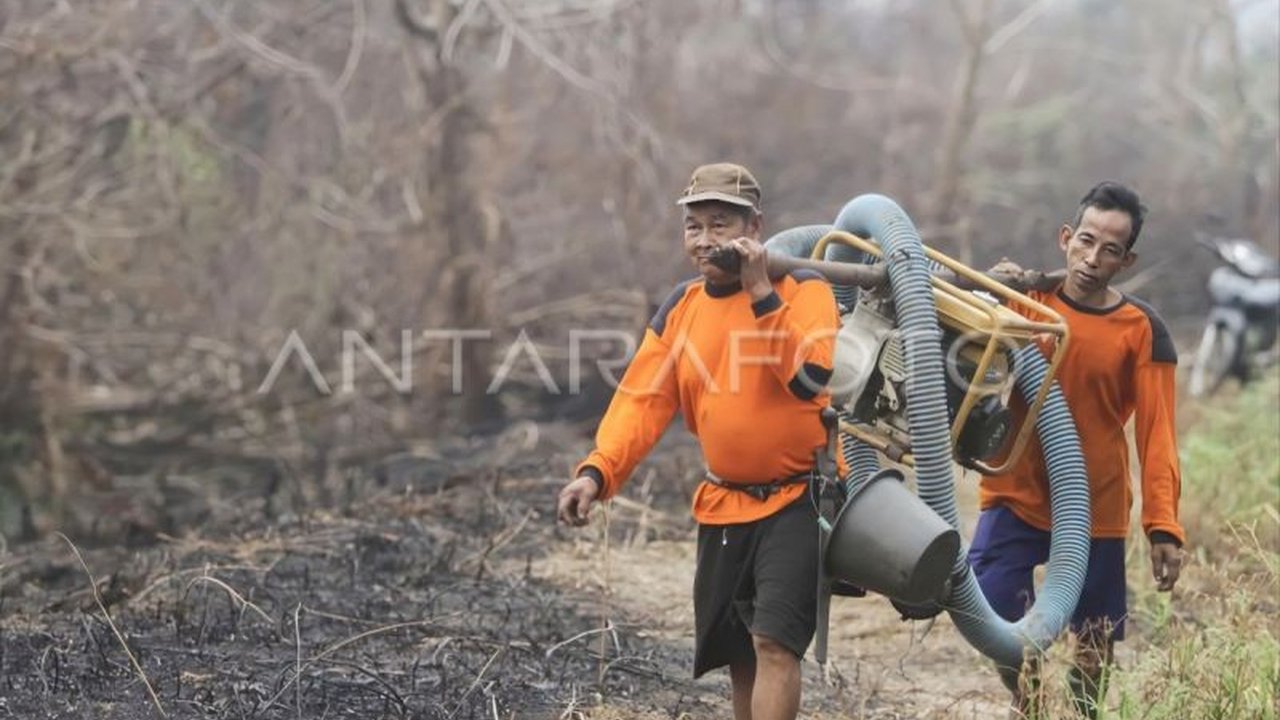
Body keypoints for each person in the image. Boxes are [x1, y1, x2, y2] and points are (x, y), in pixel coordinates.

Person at [556, 162, 841, 720]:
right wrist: (596, 473)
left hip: (799, 498)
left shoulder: (804, 289)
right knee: (739, 653)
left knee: (774, 643)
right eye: (695, 226)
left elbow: (811, 381)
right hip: (724, 503)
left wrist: (762, 296)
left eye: (721, 224)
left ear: (754, 228)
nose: (706, 240)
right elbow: (640, 402)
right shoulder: (682, 309)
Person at [970, 181, 1186, 719]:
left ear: (1127, 259)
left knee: (1093, 635)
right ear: (1066, 237)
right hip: (1014, 490)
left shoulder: (1142, 330)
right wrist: (990, 293)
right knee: (992, 609)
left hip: (1095, 504)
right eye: (1085, 240)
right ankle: (1032, 704)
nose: (1093, 258)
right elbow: (963, 356)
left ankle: (1085, 714)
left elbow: (1158, 433)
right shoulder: (1026, 303)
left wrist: (1163, 525)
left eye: (1110, 249)